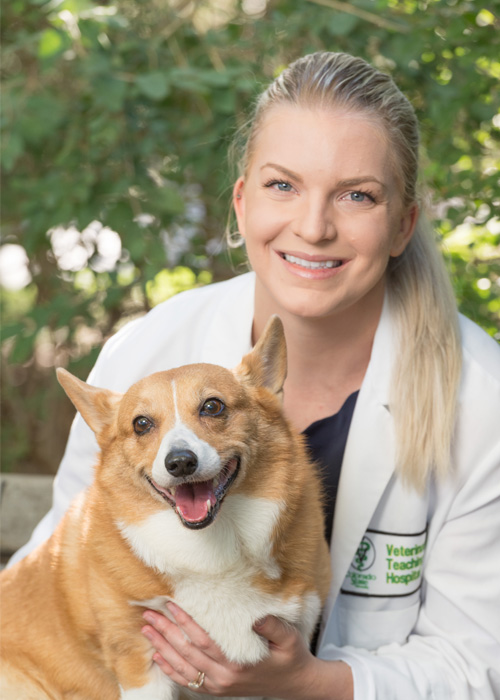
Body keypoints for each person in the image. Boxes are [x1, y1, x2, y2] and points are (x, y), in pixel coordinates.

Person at [10, 52, 500, 699]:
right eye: (282, 185)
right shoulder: (144, 354)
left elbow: (478, 662)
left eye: (358, 194)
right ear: (241, 204)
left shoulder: (481, 399)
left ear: (403, 223)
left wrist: (311, 683)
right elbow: (68, 573)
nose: (313, 226)